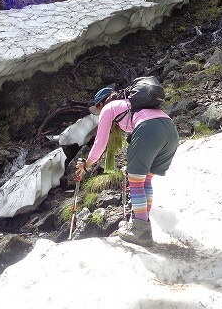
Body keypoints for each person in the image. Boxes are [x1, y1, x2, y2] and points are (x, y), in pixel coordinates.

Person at [76, 85, 179, 246]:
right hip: (171, 132)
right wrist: (131, 166)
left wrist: (87, 164)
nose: (99, 111)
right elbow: (138, 140)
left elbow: (100, 143)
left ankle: (140, 230)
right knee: (145, 180)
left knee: (136, 181)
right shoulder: (132, 105)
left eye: (97, 108)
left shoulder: (109, 108)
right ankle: (141, 223)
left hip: (149, 129)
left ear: (102, 103)